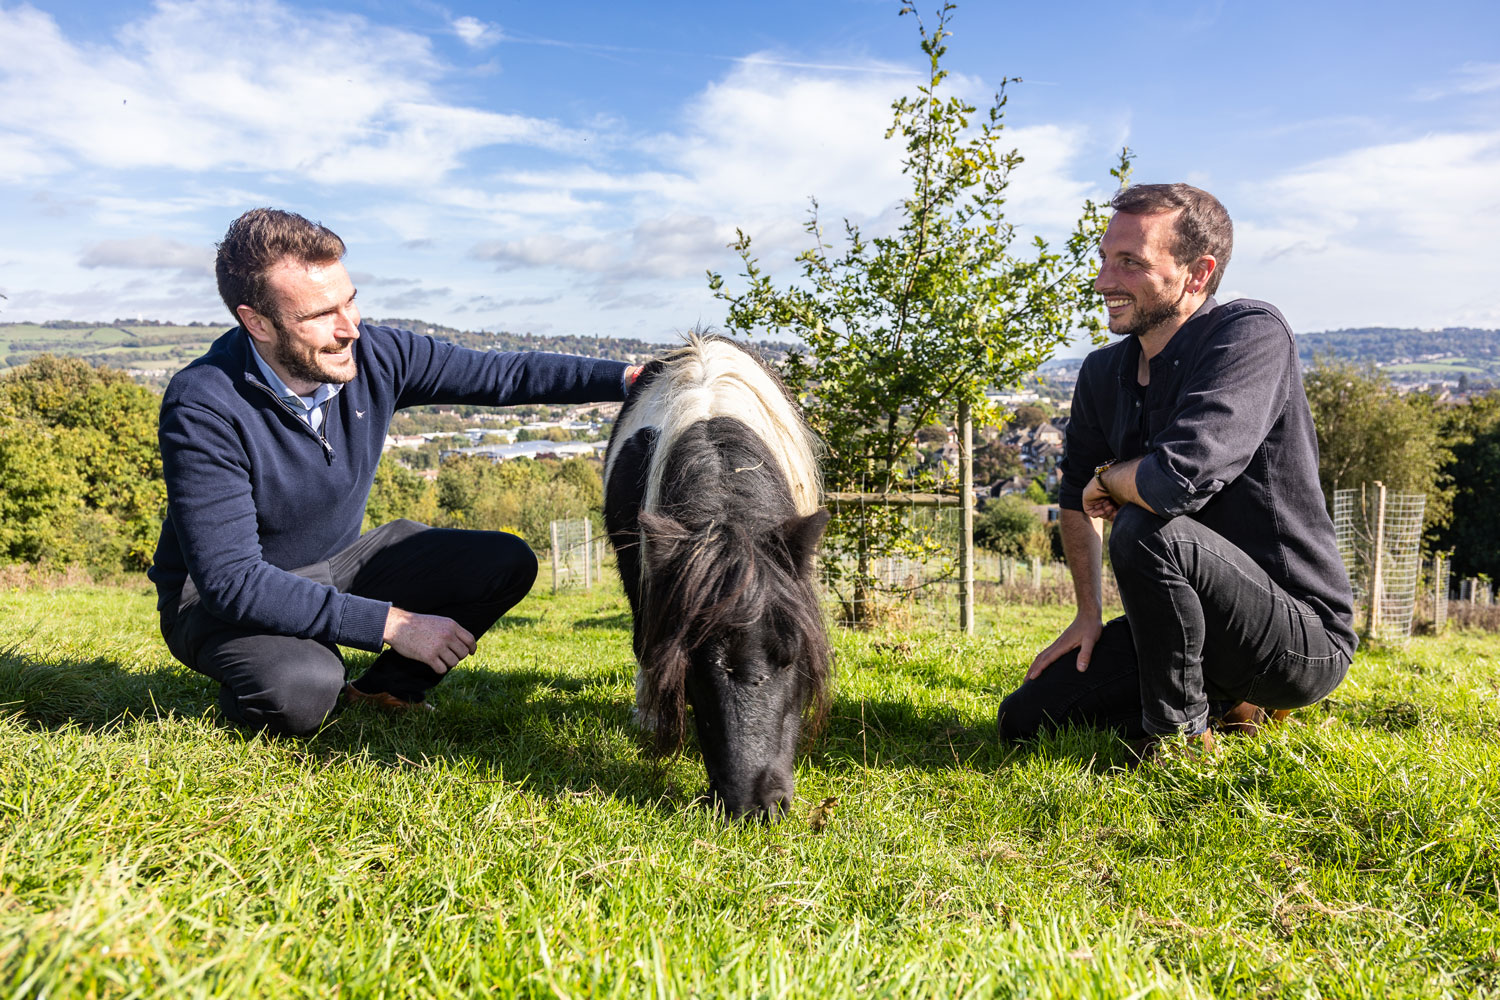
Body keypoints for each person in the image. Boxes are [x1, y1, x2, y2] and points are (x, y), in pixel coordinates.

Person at [149, 208, 637, 736]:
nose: (349, 328)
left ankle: (385, 689)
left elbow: (504, 374)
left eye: (350, 299)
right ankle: (288, 667)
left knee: (504, 561)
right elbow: (231, 582)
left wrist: (631, 378)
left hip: (337, 563)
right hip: (218, 601)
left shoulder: (378, 354)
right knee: (302, 689)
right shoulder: (203, 402)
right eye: (319, 315)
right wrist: (394, 625)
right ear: (257, 323)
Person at [996, 183, 1356, 759]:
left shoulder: (1250, 335)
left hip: (1297, 637)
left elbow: (1174, 482)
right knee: (1026, 719)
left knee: (1146, 526)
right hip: (1178, 630)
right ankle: (1228, 700)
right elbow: (1072, 497)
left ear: (1197, 272)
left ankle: (1180, 738)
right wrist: (1088, 615)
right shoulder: (1100, 373)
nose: (1102, 281)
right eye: (1105, 259)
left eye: (1131, 263)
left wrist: (1113, 479)